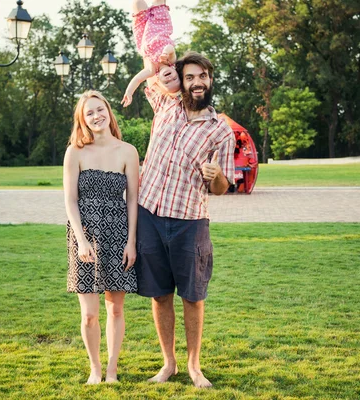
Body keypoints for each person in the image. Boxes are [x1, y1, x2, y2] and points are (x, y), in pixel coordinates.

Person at [136, 51, 236, 388]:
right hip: (148, 213)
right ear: (183, 79)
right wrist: (164, 72)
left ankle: (194, 366)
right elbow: (152, 62)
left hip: (190, 221)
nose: (197, 83)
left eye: (202, 77)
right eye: (190, 76)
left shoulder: (221, 130)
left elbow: (222, 189)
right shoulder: (165, 104)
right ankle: (169, 364)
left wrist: (217, 174)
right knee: (160, 294)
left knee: (192, 296)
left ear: (210, 80)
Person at [63, 90, 140, 384]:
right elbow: (70, 200)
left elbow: (132, 199)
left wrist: (131, 241)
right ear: (82, 120)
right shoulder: (76, 152)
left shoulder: (127, 151)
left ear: (109, 111)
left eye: (100, 110)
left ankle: (111, 370)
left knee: (116, 307)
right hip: (85, 236)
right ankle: (95, 368)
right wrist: (81, 240)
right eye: (89, 113)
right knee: (89, 314)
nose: (96, 116)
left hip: (118, 233)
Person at [121, 0, 181, 107]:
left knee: (137, 4)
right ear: (176, 72)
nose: (169, 78)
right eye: (174, 79)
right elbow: (170, 48)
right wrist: (165, 52)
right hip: (160, 25)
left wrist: (129, 92)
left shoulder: (151, 70)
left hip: (142, 34)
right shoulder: (170, 61)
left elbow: (138, 79)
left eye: (167, 82)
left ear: (160, 81)